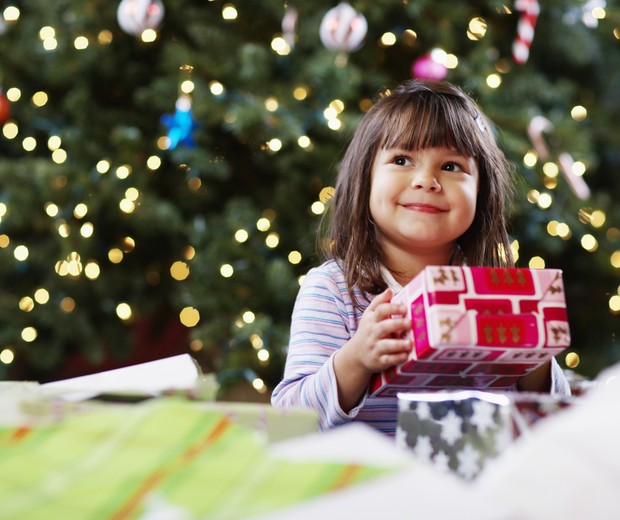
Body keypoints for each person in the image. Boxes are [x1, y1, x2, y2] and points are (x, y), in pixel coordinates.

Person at [271, 79, 570, 436]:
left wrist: (533, 358)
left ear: (481, 191)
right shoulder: (333, 290)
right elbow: (291, 421)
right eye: (401, 159)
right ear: (365, 180)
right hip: (365, 483)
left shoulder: (495, 294)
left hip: (468, 486)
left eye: (451, 166)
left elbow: (555, 425)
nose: (426, 180)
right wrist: (355, 360)